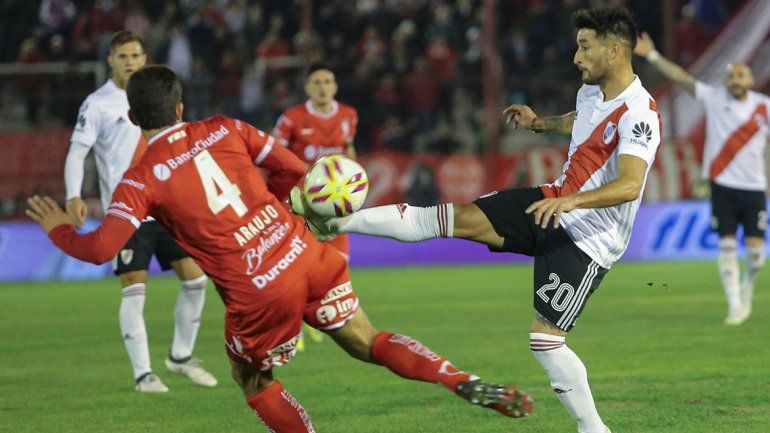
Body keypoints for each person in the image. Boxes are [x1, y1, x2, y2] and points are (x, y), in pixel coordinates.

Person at [28, 65, 532, 432]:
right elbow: (297, 170)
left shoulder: (140, 180)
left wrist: (56, 229)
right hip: (306, 252)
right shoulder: (227, 128)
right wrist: (286, 208)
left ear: (135, 117)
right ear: (182, 107)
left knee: (251, 378)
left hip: (256, 291)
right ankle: (457, 378)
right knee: (368, 339)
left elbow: (99, 249)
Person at [296, 7, 660, 433]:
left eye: (584, 48)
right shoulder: (592, 92)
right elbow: (583, 121)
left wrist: (571, 204)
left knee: (545, 341)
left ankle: (594, 429)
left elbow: (632, 184)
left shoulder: (641, 112)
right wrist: (541, 124)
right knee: (447, 217)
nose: (576, 58)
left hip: (588, 238)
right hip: (550, 203)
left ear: (614, 51)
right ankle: (333, 223)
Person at [63, 31, 216, 392]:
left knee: (196, 279)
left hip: (167, 206)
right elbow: (77, 151)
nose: (130, 61)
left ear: (145, 58)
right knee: (135, 287)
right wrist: (73, 194)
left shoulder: (157, 94)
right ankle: (143, 373)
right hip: (127, 211)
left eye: (135, 55)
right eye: (122, 56)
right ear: (110, 60)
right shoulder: (98, 103)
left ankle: (180, 356)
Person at [634, 32, 770, 325]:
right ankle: (734, 304)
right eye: (731, 76)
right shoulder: (713, 97)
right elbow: (682, 78)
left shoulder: (764, 107)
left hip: (755, 187)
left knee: (758, 255)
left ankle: (746, 289)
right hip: (721, 184)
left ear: (750, 79)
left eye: (740, 75)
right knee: (727, 245)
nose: (735, 80)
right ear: (727, 81)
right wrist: (653, 56)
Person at [272, 63, 359, 349]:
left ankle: (328, 316)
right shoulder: (292, 117)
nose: (323, 87)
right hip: (300, 206)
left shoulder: (348, 115)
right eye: (317, 82)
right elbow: (275, 154)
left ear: (335, 87)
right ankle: (292, 325)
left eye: (328, 81)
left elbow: (348, 150)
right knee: (296, 267)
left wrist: (354, 184)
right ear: (308, 88)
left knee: (338, 264)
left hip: (334, 205)